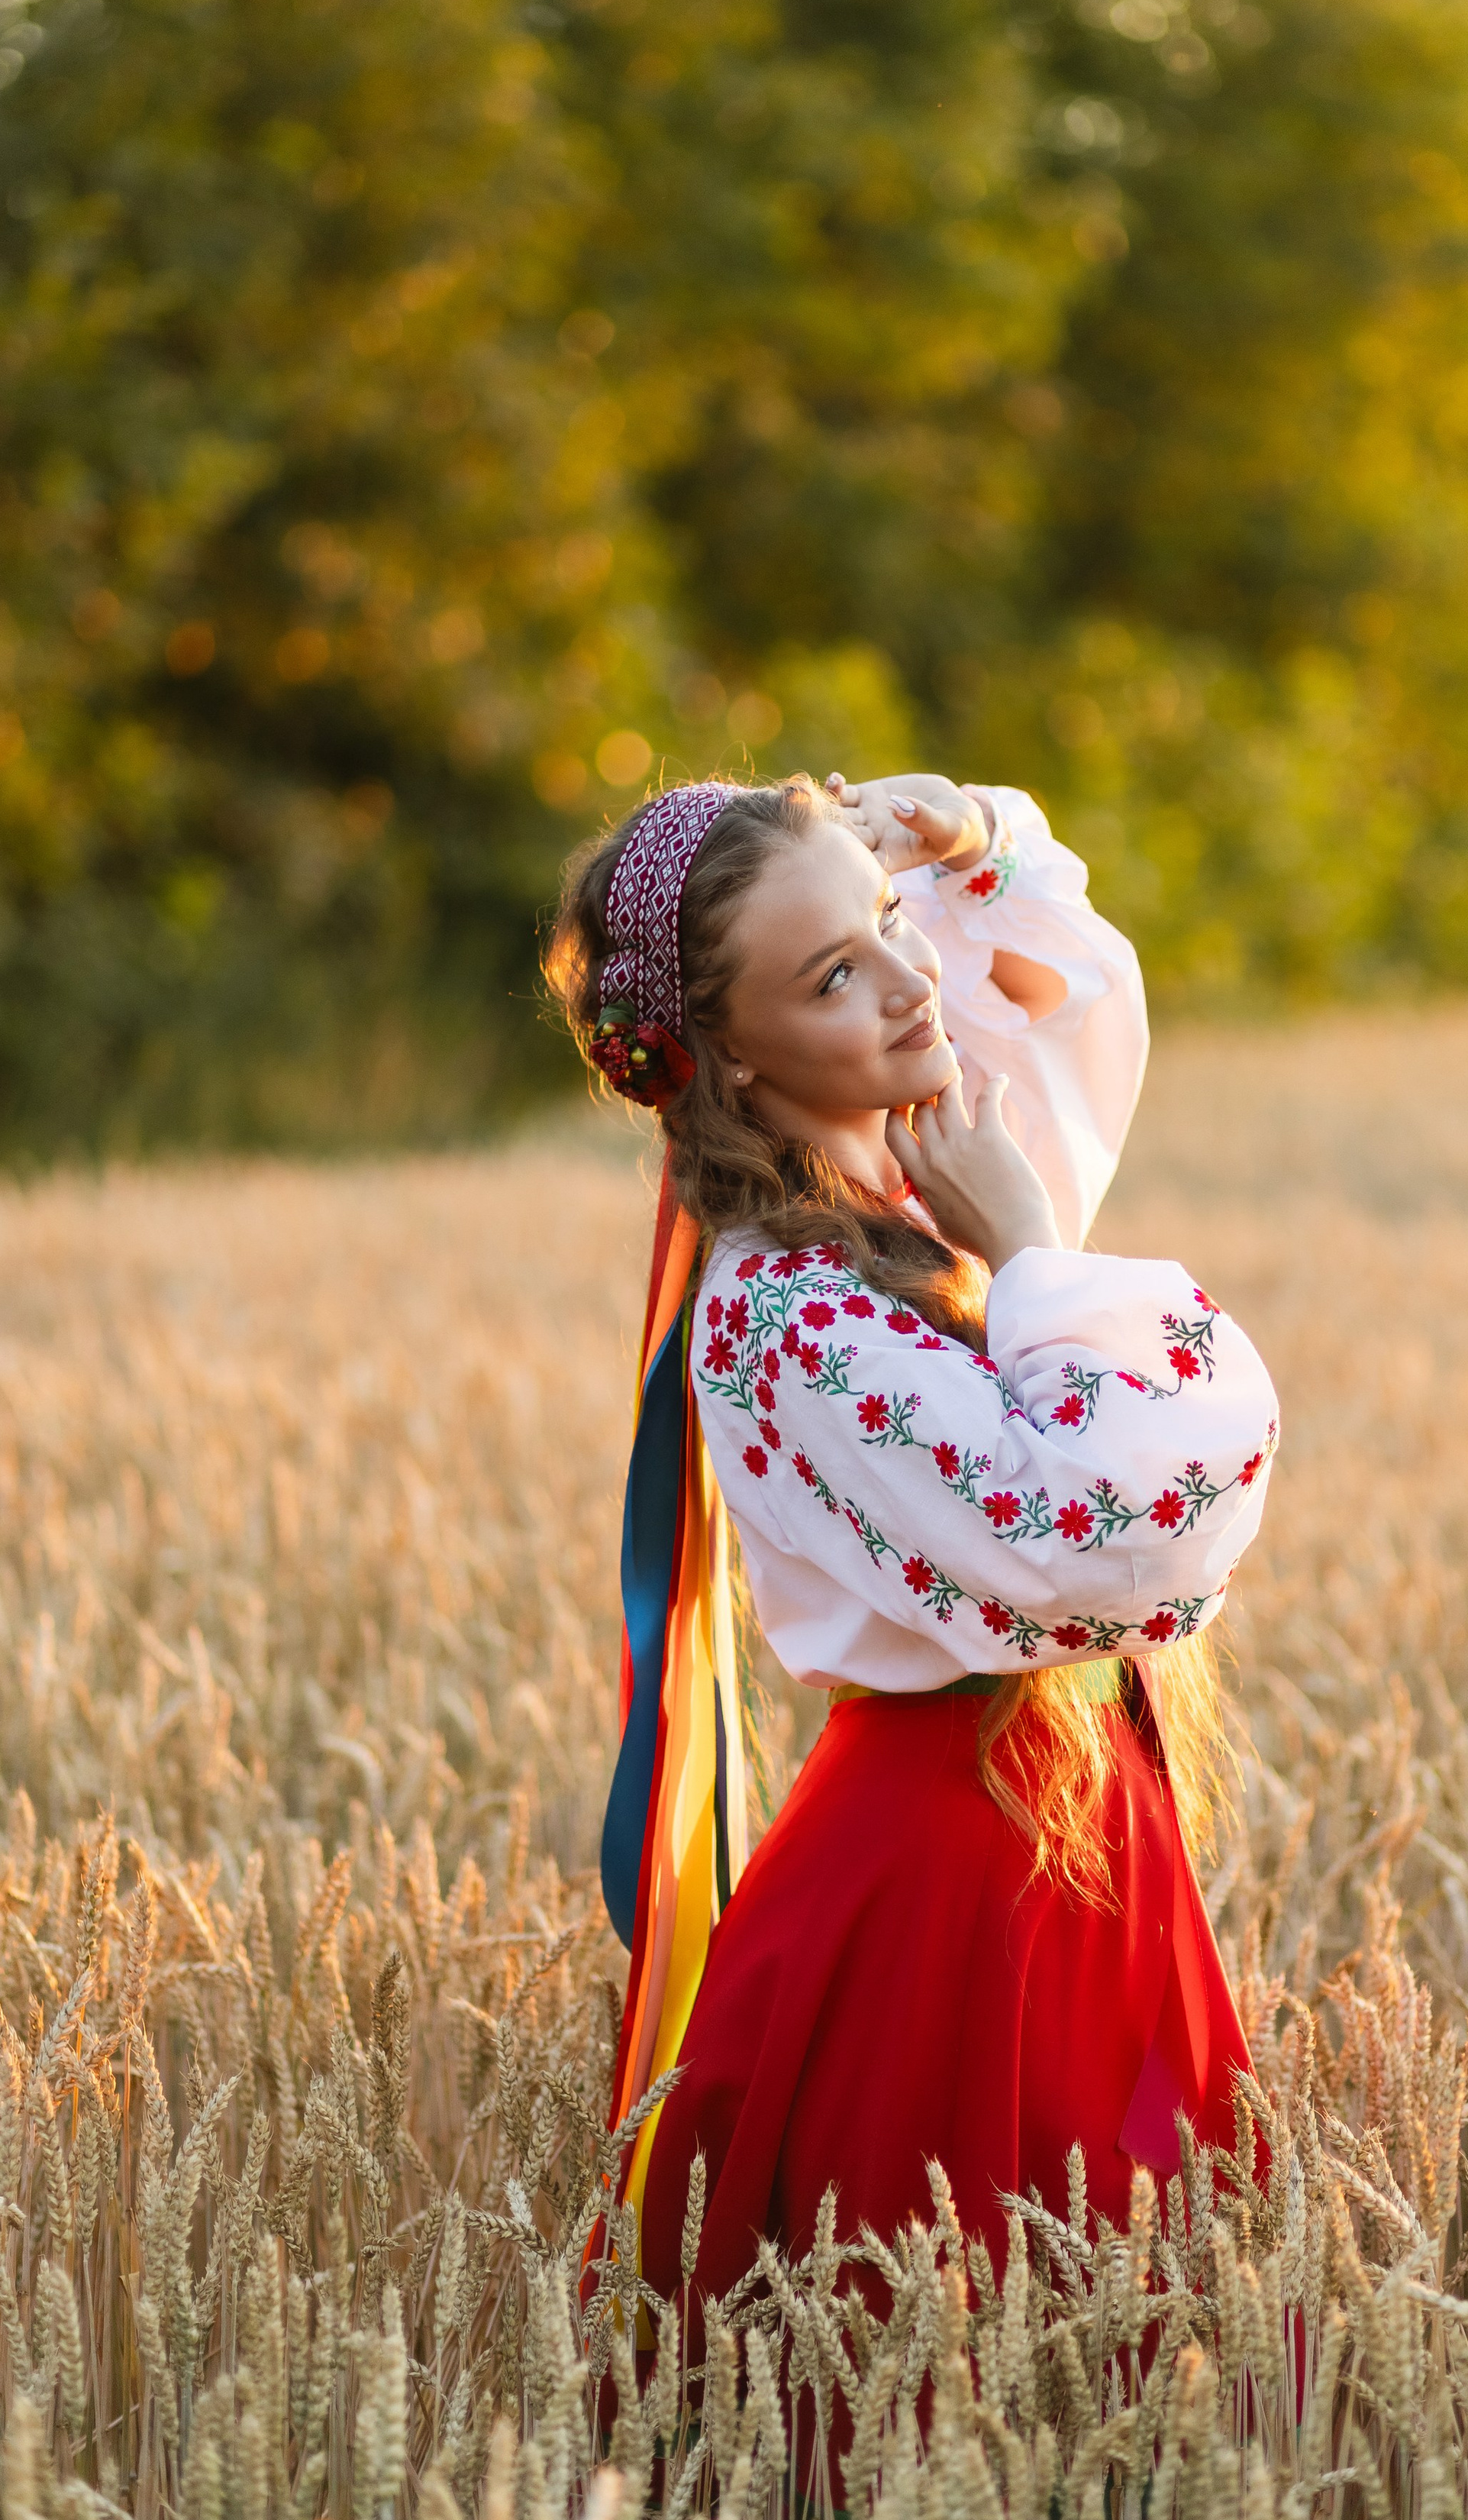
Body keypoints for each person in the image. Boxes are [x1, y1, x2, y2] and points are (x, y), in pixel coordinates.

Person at [545, 767, 1279, 2332]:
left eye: (886, 927)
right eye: (831, 974)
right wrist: (1028, 1251)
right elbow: (1097, 1528)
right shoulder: (785, 1309)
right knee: (942, 2363)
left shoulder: (908, 1171)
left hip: (1081, 1821)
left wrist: (975, 839)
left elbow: (1068, 1013)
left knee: (1123, 2365)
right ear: (727, 1056)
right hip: (949, 1879)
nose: (905, 982)